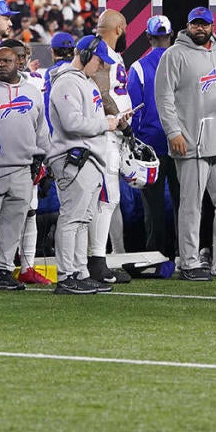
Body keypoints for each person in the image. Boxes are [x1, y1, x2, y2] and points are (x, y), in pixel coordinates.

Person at [155, 7, 216, 280]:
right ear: (188, 26)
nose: (200, 29)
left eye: (205, 24)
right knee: (191, 205)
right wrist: (173, 132)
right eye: (195, 24)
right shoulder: (173, 55)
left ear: (212, 26)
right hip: (189, 142)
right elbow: (163, 98)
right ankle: (189, 262)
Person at [45, 34, 127, 294]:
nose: (101, 66)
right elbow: (72, 124)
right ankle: (66, 275)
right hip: (73, 158)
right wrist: (107, 123)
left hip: (89, 157)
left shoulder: (84, 81)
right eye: (99, 60)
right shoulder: (67, 82)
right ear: (85, 55)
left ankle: (79, 272)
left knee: (83, 220)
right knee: (72, 219)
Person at [0, 46, 53, 291]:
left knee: (13, 223)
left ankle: (5, 269)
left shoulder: (32, 92)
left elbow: (42, 130)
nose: (0, 65)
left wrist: (45, 161)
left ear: (18, 62)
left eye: (6, 61)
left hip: (23, 168)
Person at [129, 16, 179, 258]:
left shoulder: (138, 67)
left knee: (153, 205)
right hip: (181, 143)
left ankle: (155, 253)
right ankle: (185, 253)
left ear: (148, 38)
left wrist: (135, 143)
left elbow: (135, 110)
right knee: (185, 204)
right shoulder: (182, 63)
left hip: (150, 147)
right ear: (171, 35)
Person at [87, 9, 132, 282]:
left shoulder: (113, 53)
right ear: (120, 28)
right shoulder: (100, 51)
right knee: (105, 199)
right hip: (105, 135)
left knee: (109, 199)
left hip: (113, 134)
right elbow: (102, 92)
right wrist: (121, 122)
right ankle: (96, 260)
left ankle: (102, 257)